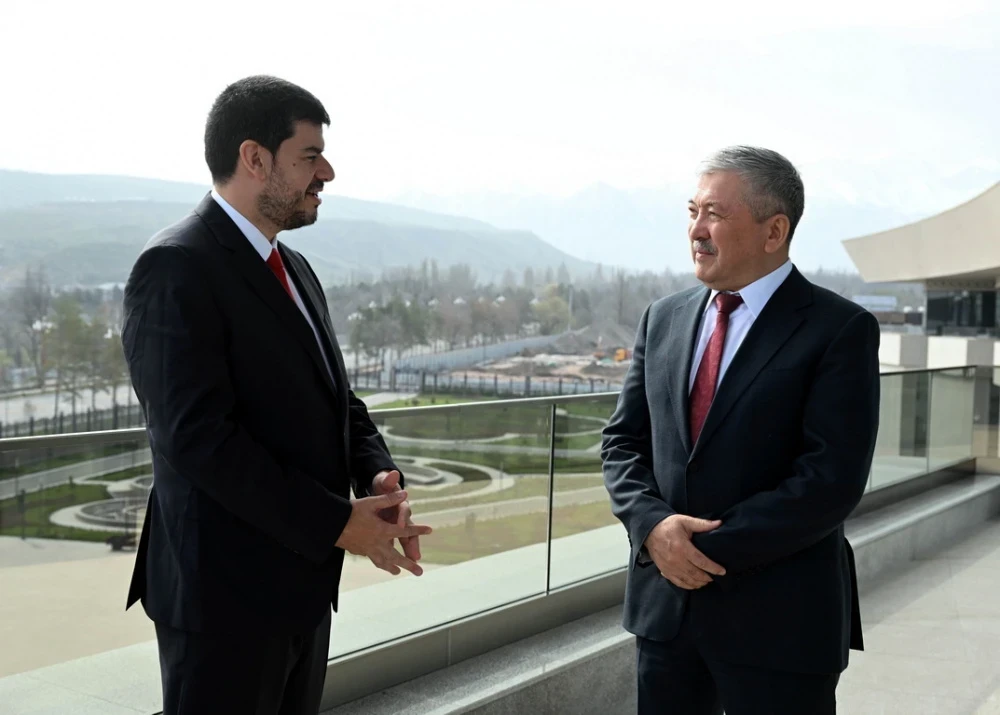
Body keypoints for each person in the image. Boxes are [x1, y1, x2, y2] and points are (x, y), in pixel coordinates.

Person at [121, 75, 432, 715]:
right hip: (222, 605)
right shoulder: (176, 266)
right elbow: (197, 440)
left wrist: (376, 473)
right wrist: (336, 522)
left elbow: (337, 399)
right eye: (310, 156)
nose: (327, 172)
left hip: (301, 591)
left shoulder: (295, 268)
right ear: (255, 159)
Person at [601, 146, 879, 715]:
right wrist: (653, 528)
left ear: (774, 231)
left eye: (715, 214)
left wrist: (694, 549)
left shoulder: (840, 329)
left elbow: (830, 481)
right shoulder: (663, 317)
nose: (696, 231)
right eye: (693, 212)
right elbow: (622, 443)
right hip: (666, 618)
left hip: (781, 625)